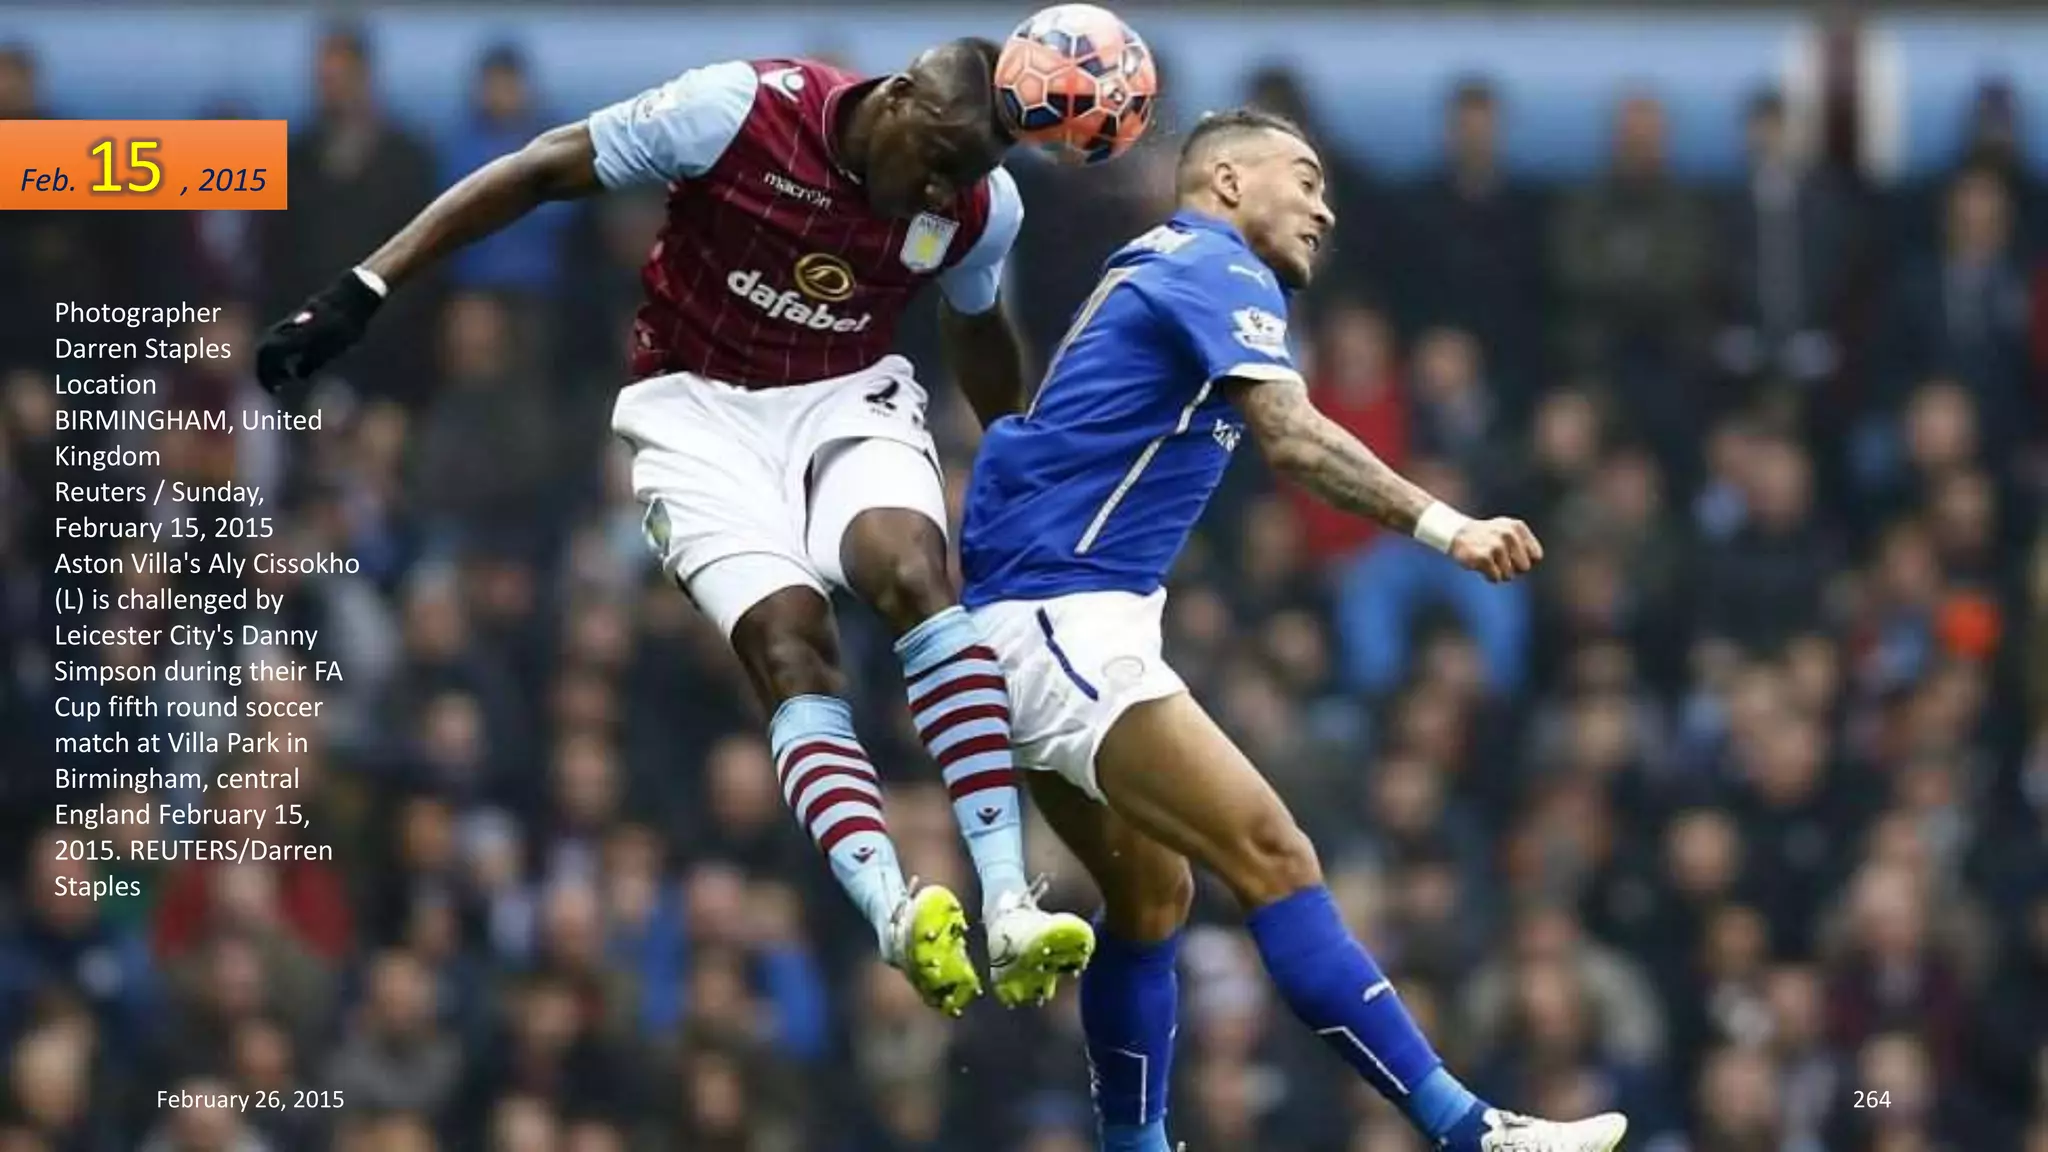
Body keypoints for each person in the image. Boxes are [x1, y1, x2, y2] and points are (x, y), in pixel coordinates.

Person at [253, 40, 1094, 1017]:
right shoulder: (737, 109)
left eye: (964, 176)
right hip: (691, 410)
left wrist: (1019, 456)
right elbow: (537, 170)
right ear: (898, 97)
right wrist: (367, 286)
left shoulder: (975, 209)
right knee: (790, 643)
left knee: (909, 571)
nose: (939, 190)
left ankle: (1005, 900)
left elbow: (975, 326)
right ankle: (893, 915)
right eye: (936, 158)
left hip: (844, 399)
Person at [958, 108, 1628, 1152]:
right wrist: (1447, 528)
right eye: (1303, 178)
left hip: (1060, 617)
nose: (1324, 207)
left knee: (1151, 896)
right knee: (1274, 851)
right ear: (1224, 180)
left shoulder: (1159, 266)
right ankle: (1468, 1130)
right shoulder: (1212, 264)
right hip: (1056, 617)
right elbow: (1293, 438)